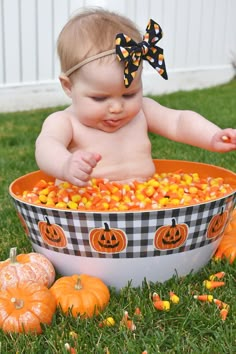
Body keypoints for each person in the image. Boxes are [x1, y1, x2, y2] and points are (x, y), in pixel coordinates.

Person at [35, 8, 236, 186]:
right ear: (68, 87)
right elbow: (46, 147)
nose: (116, 107)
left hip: (143, 203)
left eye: (129, 94)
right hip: (85, 207)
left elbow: (178, 121)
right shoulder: (65, 122)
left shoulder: (142, 111)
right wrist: (65, 165)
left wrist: (212, 136)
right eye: (100, 98)